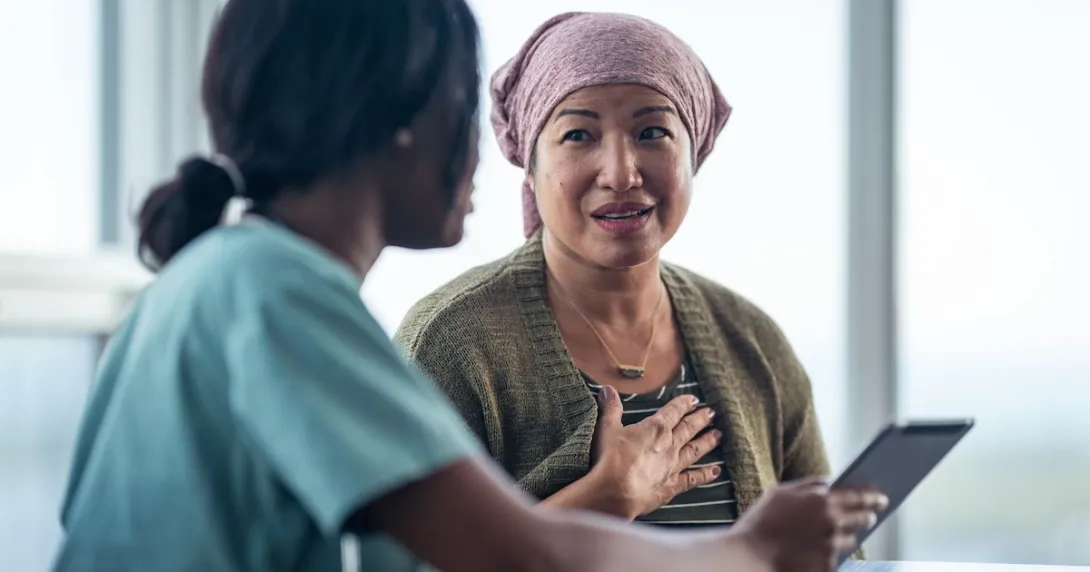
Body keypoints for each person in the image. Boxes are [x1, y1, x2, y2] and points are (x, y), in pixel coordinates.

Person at [52, 1, 886, 571]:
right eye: (466, 98)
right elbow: (518, 554)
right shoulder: (275, 296)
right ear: (402, 118)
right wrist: (751, 551)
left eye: (651, 131)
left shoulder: (217, 280)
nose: (489, 146)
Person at [396, 10, 839, 531]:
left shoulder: (753, 341)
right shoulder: (451, 343)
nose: (621, 173)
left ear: (693, 154)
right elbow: (398, 564)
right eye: (579, 135)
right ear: (531, 165)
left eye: (652, 131)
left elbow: (832, 549)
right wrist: (603, 500)